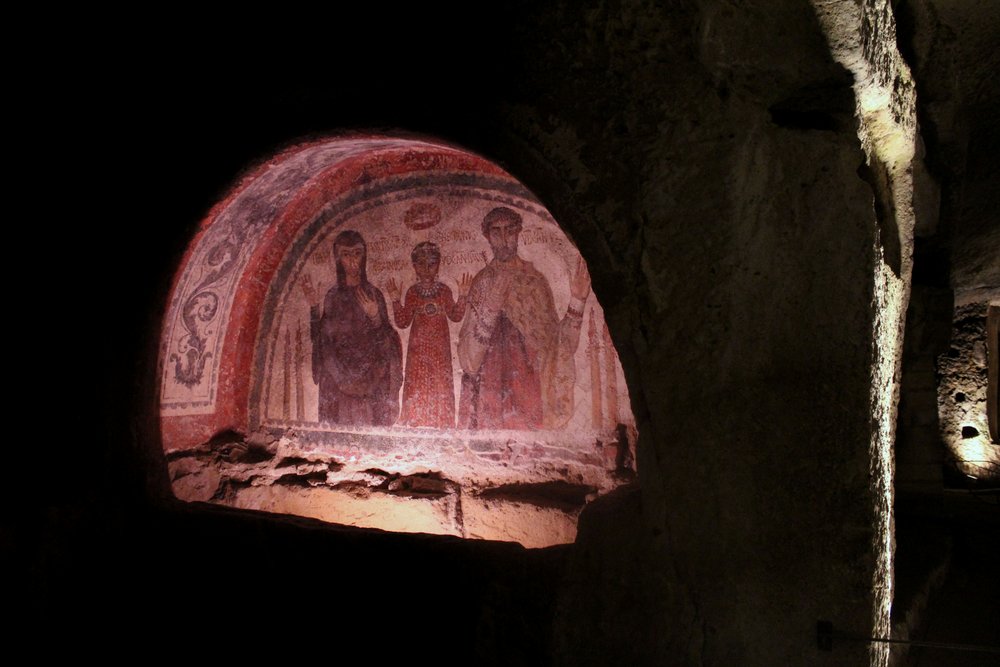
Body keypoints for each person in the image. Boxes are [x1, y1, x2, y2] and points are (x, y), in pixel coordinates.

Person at [457, 206, 590, 430]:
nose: (503, 239)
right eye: (496, 232)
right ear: (487, 236)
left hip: (530, 393)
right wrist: (490, 309)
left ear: (518, 232)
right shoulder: (483, 282)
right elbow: (468, 360)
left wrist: (577, 301)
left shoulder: (535, 281)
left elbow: (558, 346)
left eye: (509, 231)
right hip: (492, 395)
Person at [304, 230, 402, 426]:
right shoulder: (332, 296)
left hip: (369, 377)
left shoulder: (374, 294)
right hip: (339, 376)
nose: (352, 261)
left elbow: (388, 341)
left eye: (357, 254)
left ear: (364, 256)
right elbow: (321, 340)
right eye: (346, 255)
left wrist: (375, 316)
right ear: (338, 258)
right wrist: (314, 307)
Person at [386, 242, 472, 428]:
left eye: (432, 264)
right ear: (415, 266)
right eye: (421, 264)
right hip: (418, 349)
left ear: (438, 265)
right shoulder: (413, 292)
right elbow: (403, 322)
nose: (426, 269)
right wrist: (395, 300)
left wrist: (463, 295)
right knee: (417, 380)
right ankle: (415, 419)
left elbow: (456, 316)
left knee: (440, 380)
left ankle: (442, 421)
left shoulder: (443, 291)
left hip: (439, 347)